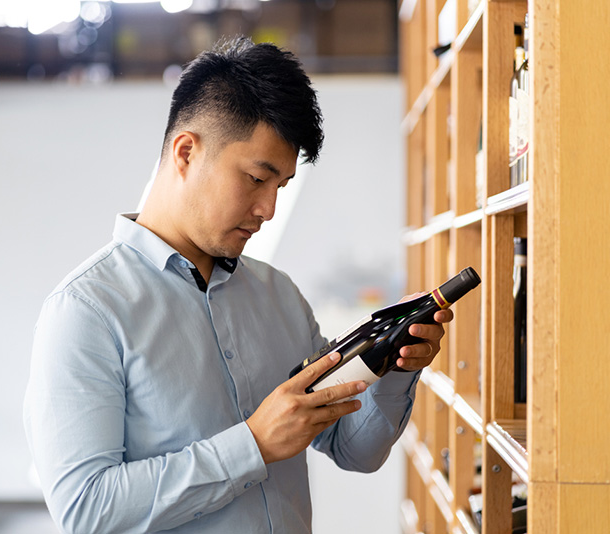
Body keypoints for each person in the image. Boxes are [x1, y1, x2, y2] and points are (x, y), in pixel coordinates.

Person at [23, 37, 452, 534]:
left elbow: (354, 449)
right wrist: (253, 445)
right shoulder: (85, 311)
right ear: (186, 152)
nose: (268, 209)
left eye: (280, 187)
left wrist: (396, 364)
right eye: (255, 178)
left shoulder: (280, 295)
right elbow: (87, 510)